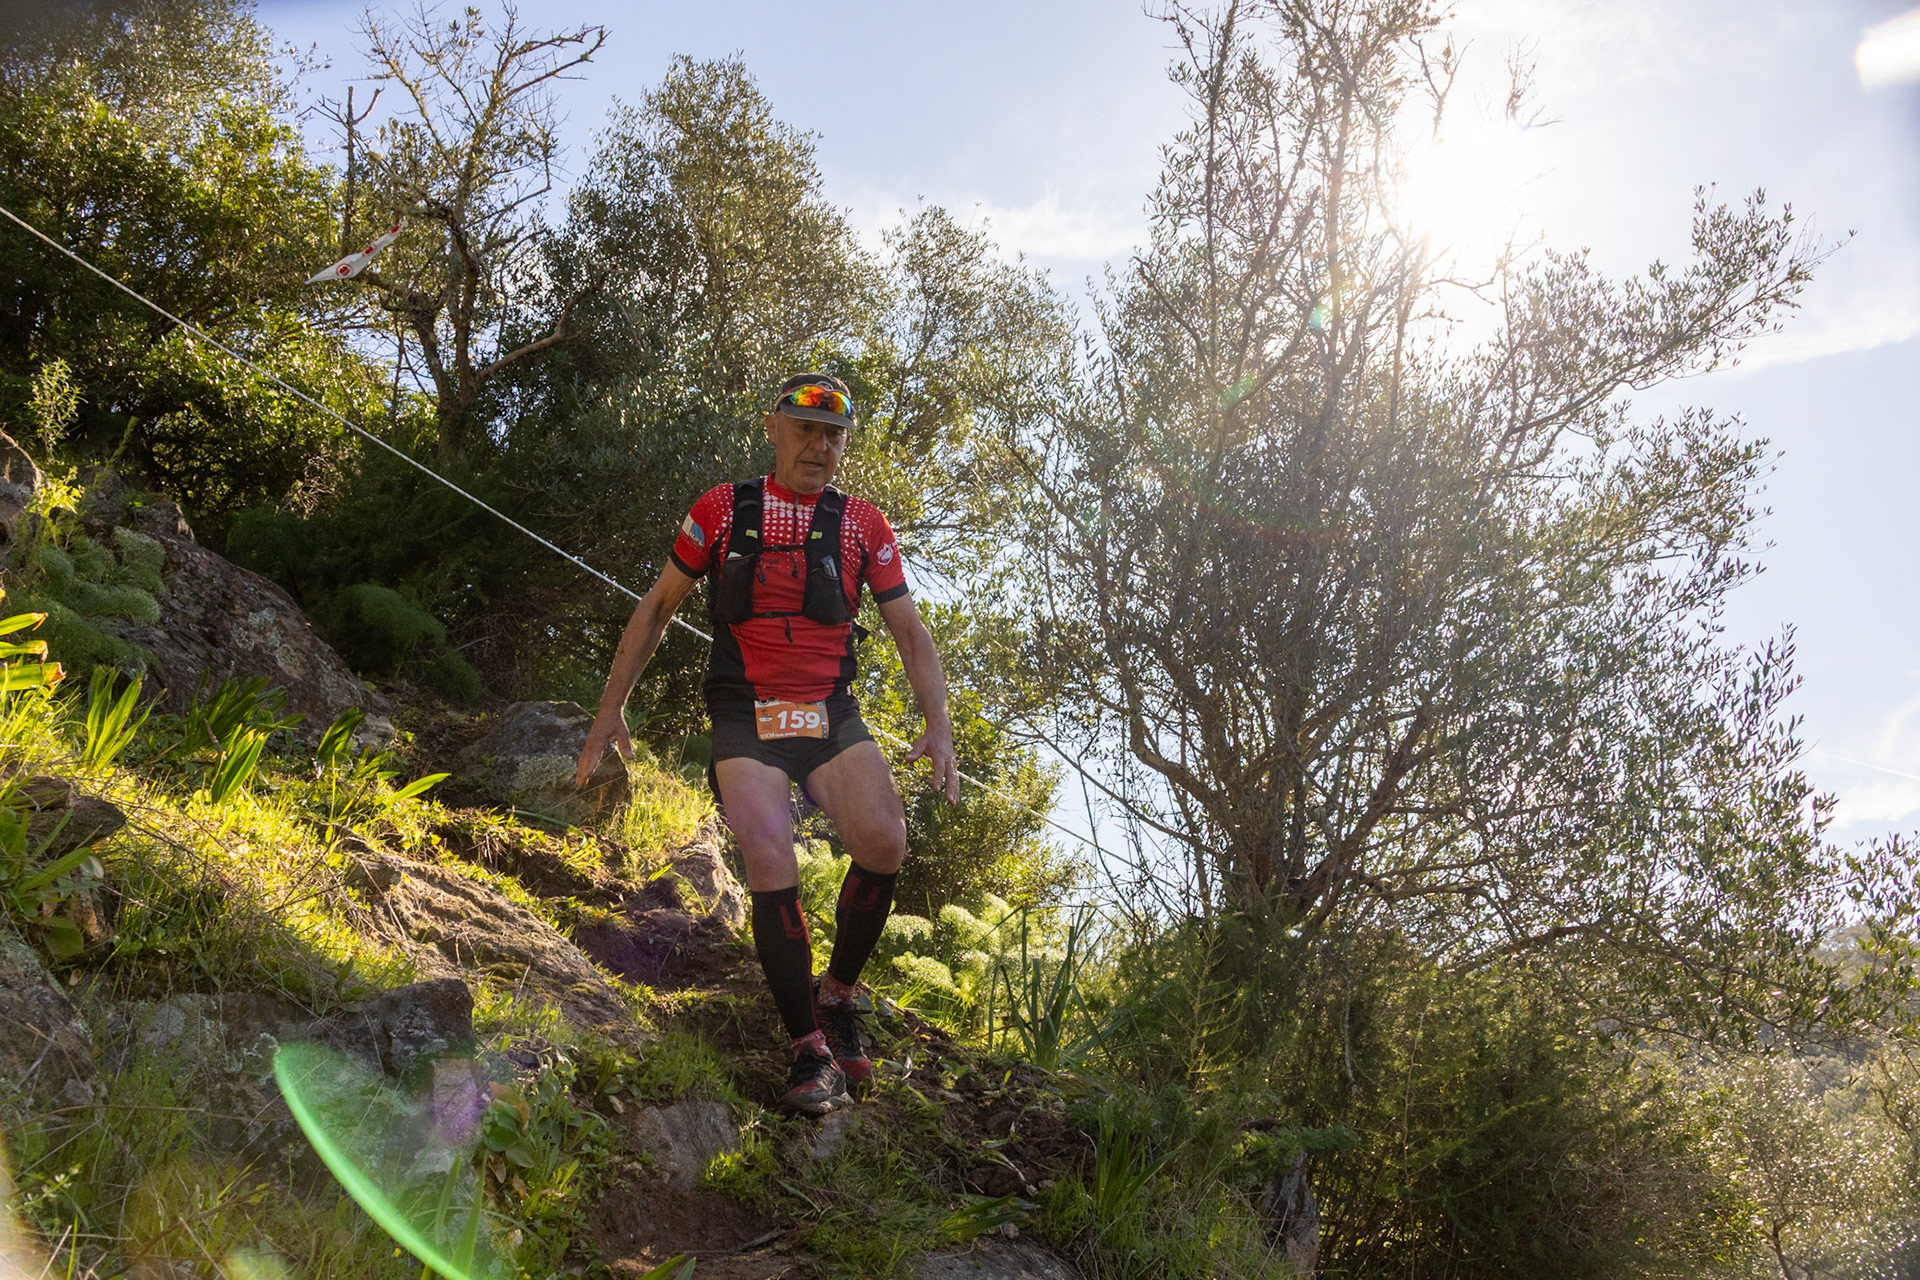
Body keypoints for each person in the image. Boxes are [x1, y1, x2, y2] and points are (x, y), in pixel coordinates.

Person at [574, 372, 960, 1115]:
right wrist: (609, 710)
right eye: (805, 429)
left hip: (830, 711)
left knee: (885, 840)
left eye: (834, 435)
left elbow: (909, 630)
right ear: (772, 428)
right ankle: (808, 1050)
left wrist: (937, 723)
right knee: (770, 853)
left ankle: (836, 995)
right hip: (744, 713)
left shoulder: (863, 524)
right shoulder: (720, 509)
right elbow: (657, 606)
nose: (819, 446)